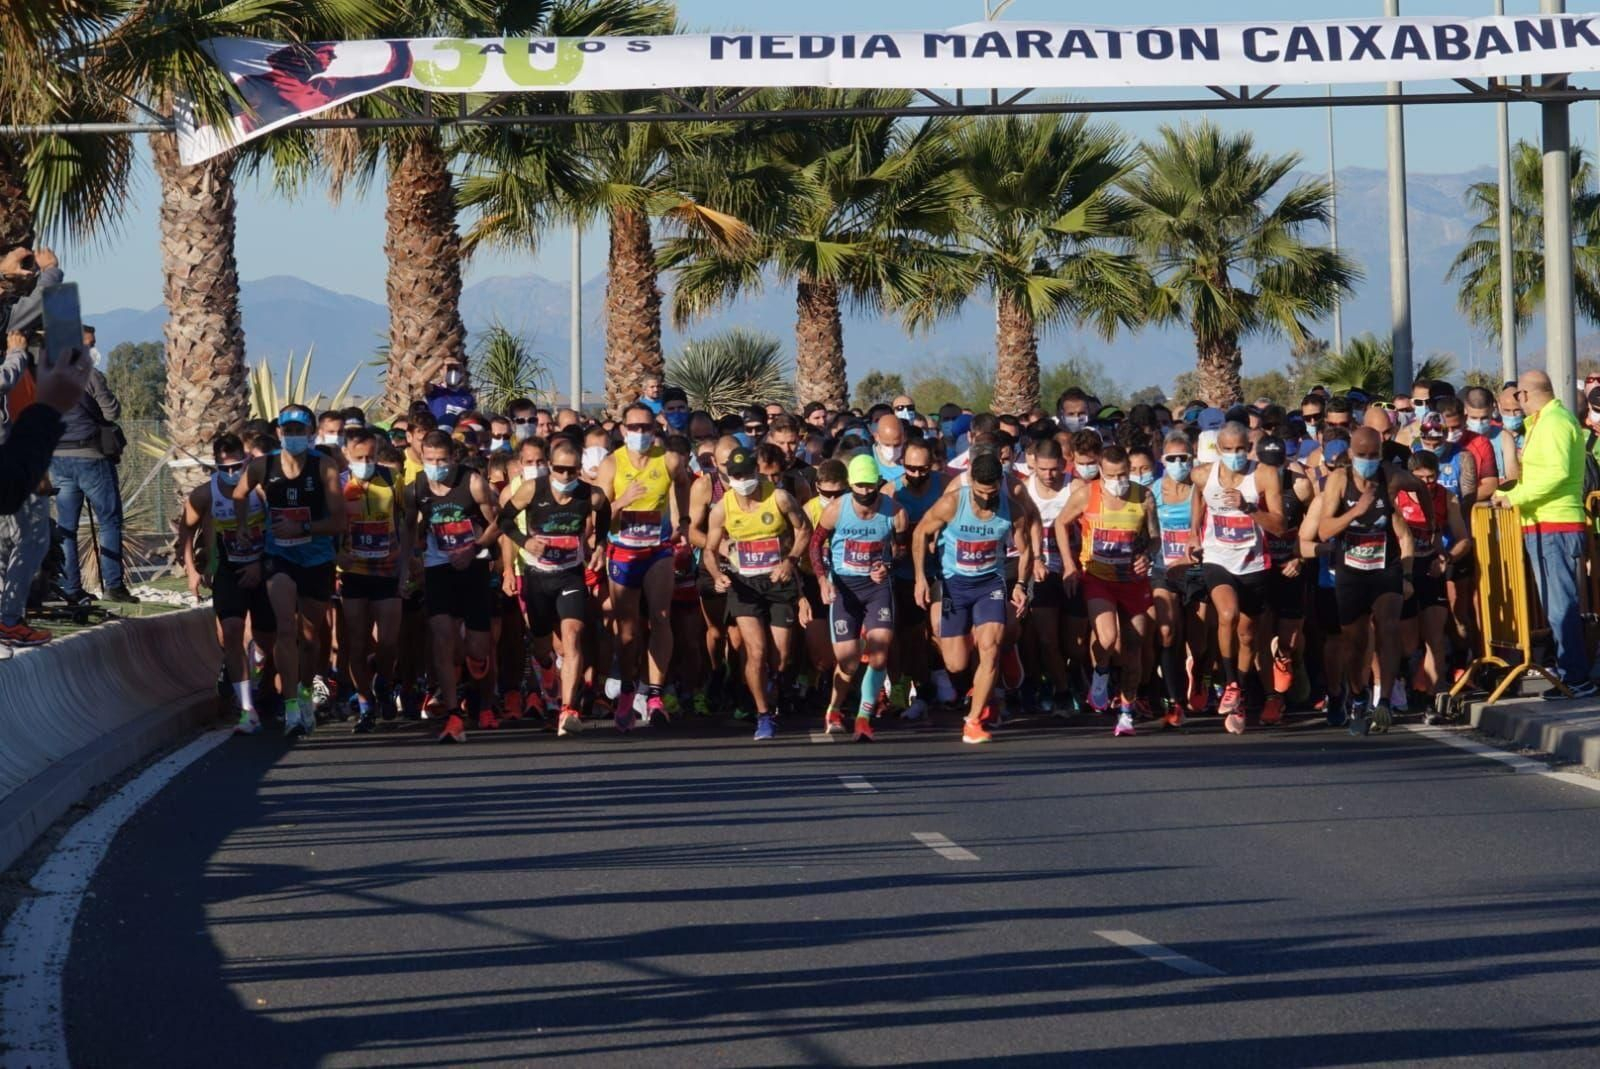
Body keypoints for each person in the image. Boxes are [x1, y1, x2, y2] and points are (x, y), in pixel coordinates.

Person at [234, 406, 347, 736]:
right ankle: (291, 708)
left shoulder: (323, 466)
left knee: (310, 637)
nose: (293, 436)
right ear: (279, 433)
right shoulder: (262, 465)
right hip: (279, 556)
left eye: (300, 430)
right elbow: (240, 493)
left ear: (310, 433)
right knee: (286, 627)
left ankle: (306, 692)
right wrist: (243, 526)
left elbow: (339, 520)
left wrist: (304, 526)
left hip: (316, 556)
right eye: (288, 430)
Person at [913, 453, 1033, 746]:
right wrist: (920, 578)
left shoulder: (1012, 510)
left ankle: (973, 720)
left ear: (999, 484)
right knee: (955, 663)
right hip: (955, 584)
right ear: (972, 484)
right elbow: (920, 532)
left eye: (991, 493)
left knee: (989, 647)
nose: (985, 499)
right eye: (979, 492)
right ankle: (981, 679)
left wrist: (1020, 584)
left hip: (989, 583)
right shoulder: (954, 502)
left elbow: (1027, 548)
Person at [1495, 370, 1596, 699]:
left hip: (1555, 525)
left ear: (1525, 395)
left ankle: (1576, 677)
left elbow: (1554, 474)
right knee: (1556, 605)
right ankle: (1571, 674)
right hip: (1543, 525)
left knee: (1561, 605)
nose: (1516, 404)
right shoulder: (1544, 422)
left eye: (1517, 397)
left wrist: (1515, 497)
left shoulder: (1553, 423)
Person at [498, 437, 608, 737]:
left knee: (572, 638)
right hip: (537, 577)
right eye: (560, 470)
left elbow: (606, 510)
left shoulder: (589, 494)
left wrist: (600, 545)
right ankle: (547, 671)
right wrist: (526, 542)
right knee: (543, 645)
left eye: (573, 471)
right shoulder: (533, 489)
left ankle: (569, 709)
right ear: (550, 467)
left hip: (570, 575)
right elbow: (504, 520)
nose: (566, 477)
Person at [702, 445, 812, 741]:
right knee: (756, 651)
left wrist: (791, 560)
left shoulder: (778, 497)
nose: (742, 479)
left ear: (756, 471)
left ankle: (773, 684)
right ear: (728, 475)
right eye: (736, 475)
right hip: (744, 585)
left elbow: (804, 529)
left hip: (778, 581)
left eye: (747, 473)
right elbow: (709, 551)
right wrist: (717, 575)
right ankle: (763, 715)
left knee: (781, 656)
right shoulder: (723, 506)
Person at [403, 430, 504, 741]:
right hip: (438, 568)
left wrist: (474, 549)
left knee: (477, 648)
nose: (436, 466)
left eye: (442, 460)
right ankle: (453, 714)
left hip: (473, 566)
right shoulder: (415, 488)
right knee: (442, 638)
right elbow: (408, 528)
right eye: (430, 460)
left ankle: (484, 702)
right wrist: (410, 563)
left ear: (453, 458)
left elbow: (498, 523)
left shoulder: (472, 483)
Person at [597, 404, 692, 729]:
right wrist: (621, 502)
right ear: (623, 430)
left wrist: (684, 520)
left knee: (660, 617)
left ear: (655, 429)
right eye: (634, 427)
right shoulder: (611, 464)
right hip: (623, 552)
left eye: (647, 427)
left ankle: (654, 693)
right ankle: (626, 689)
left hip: (657, 550)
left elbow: (682, 483)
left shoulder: (668, 459)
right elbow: (597, 515)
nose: (641, 433)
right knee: (627, 629)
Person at [1318, 427, 1417, 735]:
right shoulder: (1339, 480)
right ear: (1351, 455)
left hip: (1384, 566)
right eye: (1362, 456)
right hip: (1350, 569)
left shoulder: (1391, 477)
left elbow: (1422, 488)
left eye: (1374, 455)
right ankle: (1358, 695)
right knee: (1354, 641)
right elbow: (1323, 531)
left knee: (1388, 627)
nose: (1368, 461)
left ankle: (1384, 699)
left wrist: (1433, 530)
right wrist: (1355, 512)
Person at [1190, 421, 1287, 735]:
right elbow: (1198, 498)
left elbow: (1279, 526)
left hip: (1253, 563)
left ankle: (1240, 693)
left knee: (1248, 635)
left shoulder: (1263, 474)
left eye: (1241, 449)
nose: (1235, 455)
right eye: (1229, 450)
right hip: (1218, 559)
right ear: (1218, 450)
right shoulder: (1204, 474)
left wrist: (1248, 507)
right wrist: (1194, 535)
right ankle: (1230, 683)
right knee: (1227, 614)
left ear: (1250, 448)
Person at [1056, 444, 1157, 737]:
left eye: (1123, 474)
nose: (1119, 481)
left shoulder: (1144, 496)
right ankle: (1100, 671)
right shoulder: (1087, 494)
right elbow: (1061, 523)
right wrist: (1068, 565)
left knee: (1134, 645)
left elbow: (1154, 537)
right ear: (1101, 472)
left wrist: (1147, 555)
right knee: (1108, 638)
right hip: (1097, 577)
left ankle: (1126, 712)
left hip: (1133, 581)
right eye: (1112, 475)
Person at [180, 433, 275, 734]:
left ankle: (261, 675)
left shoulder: (260, 491)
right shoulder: (204, 495)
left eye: (238, 467)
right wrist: (192, 570)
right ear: (215, 466)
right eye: (225, 469)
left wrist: (260, 565)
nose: (232, 475)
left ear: (247, 461)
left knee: (266, 641)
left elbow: (277, 533)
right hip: (227, 572)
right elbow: (185, 530)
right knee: (231, 633)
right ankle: (247, 709)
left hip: (262, 570)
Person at [811, 454, 906, 741]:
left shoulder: (895, 512)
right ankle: (835, 708)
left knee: (879, 654)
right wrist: (821, 581)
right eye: (859, 486)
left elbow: (901, 550)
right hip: (844, 589)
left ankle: (864, 717)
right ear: (851, 485)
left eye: (870, 485)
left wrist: (887, 565)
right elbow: (816, 545)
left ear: (878, 483)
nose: (865, 491)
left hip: (877, 588)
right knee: (849, 662)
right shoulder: (836, 510)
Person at [50, 345, 135, 606]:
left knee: (67, 528)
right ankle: (113, 585)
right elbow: (111, 412)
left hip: (58, 459)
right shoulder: (89, 375)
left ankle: (71, 587)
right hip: (91, 457)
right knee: (109, 521)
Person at [336, 427, 405, 733]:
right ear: (346, 455)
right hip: (353, 573)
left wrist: (407, 559)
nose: (366, 462)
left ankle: (384, 682)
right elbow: (324, 526)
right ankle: (365, 704)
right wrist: (337, 557)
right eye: (359, 457)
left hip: (387, 570)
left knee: (389, 641)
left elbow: (408, 520)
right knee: (357, 642)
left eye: (371, 456)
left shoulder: (392, 480)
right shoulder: (337, 484)